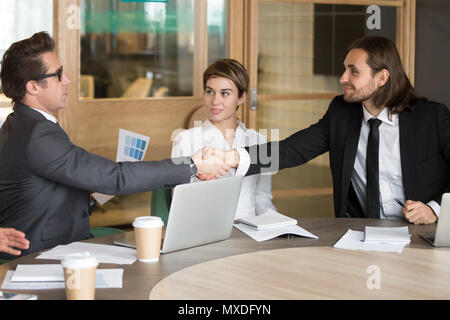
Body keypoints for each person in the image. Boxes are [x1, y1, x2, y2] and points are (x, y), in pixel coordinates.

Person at [0, 32, 229, 260]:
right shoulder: (38, 134)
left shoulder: (20, 124)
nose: (67, 80)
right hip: (42, 256)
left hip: (54, 246)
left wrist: (90, 190)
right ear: (33, 87)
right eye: (59, 75)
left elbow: (43, 187)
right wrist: (191, 165)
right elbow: (115, 177)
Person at [210, 35, 450, 225]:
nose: (343, 77)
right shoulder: (341, 113)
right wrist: (231, 157)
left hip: (421, 232)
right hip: (360, 233)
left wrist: (434, 209)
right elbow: (291, 150)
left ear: (382, 77)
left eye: (353, 71)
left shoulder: (431, 117)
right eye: (345, 69)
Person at [172, 59, 276, 219]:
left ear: (241, 97)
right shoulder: (185, 140)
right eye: (209, 91)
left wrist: (276, 226)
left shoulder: (258, 142)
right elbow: (181, 204)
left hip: (249, 235)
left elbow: (262, 199)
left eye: (225, 93)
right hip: (203, 233)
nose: (215, 101)